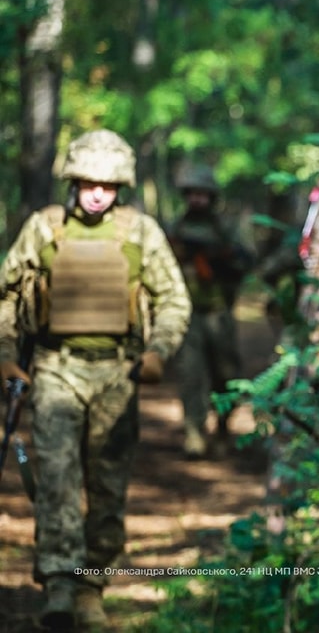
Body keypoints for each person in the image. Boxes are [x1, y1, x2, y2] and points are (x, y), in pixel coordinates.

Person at [0, 128, 191, 630]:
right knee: (57, 478)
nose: (97, 192)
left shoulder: (139, 231)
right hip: (56, 367)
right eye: (88, 182)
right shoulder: (44, 228)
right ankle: (59, 584)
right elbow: (7, 295)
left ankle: (91, 584)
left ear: (121, 185)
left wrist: (158, 352)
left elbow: (173, 298)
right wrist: (5, 357)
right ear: (73, 180)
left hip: (117, 371)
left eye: (107, 184)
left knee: (107, 484)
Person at [167, 162, 254, 458]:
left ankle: (223, 428)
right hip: (188, 314)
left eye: (202, 194)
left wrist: (218, 261)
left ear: (211, 197)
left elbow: (245, 261)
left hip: (219, 312)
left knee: (225, 375)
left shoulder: (227, 228)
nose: (197, 200)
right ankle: (194, 432)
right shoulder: (176, 228)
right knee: (190, 374)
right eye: (192, 194)